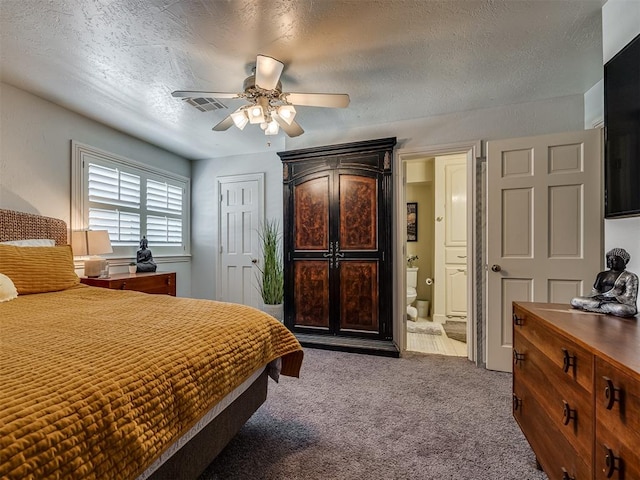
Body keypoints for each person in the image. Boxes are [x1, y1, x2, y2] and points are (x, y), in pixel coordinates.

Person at [570, 248, 638, 317]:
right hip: (601, 302)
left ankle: (599, 308)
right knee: (575, 300)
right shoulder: (602, 274)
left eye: (614, 260)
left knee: (622, 309)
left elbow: (629, 297)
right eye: (608, 260)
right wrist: (598, 296)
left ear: (625, 261)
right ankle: (602, 308)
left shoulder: (630, 276)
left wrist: (612, 298)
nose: (610, 262)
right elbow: (594, 291)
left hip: (617, 303)